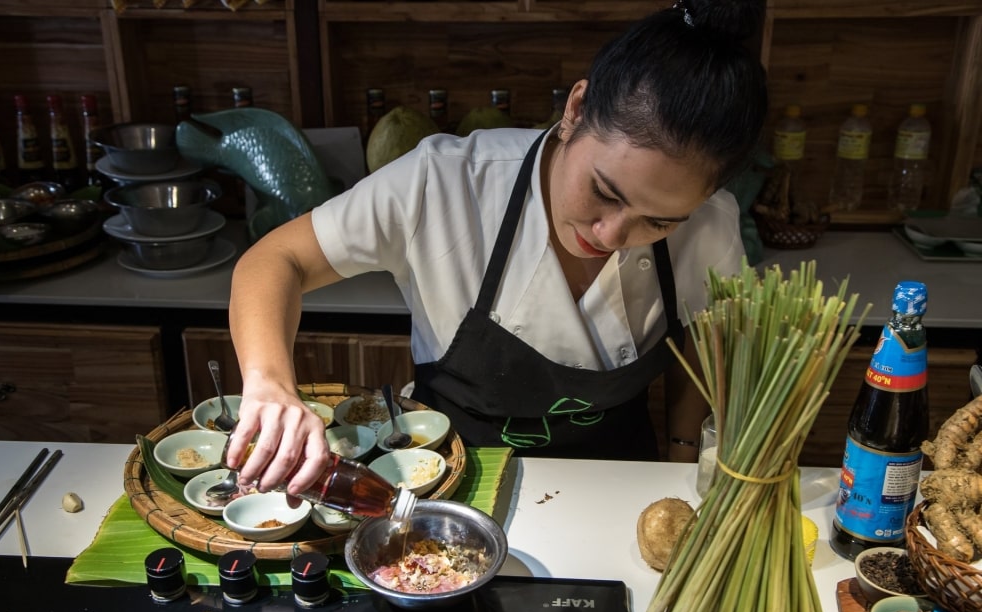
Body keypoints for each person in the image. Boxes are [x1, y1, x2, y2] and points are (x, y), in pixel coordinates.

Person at [226, 0, 768, 502]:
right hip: (439, 482)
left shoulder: (709, 226)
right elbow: (275, 260)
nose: (609, 234)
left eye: (658, 221)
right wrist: (270, 385)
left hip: (617, 485)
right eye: (604, 191)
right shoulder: (443, 182)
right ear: (577, 109)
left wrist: (681, 459)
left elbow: (701, 342)